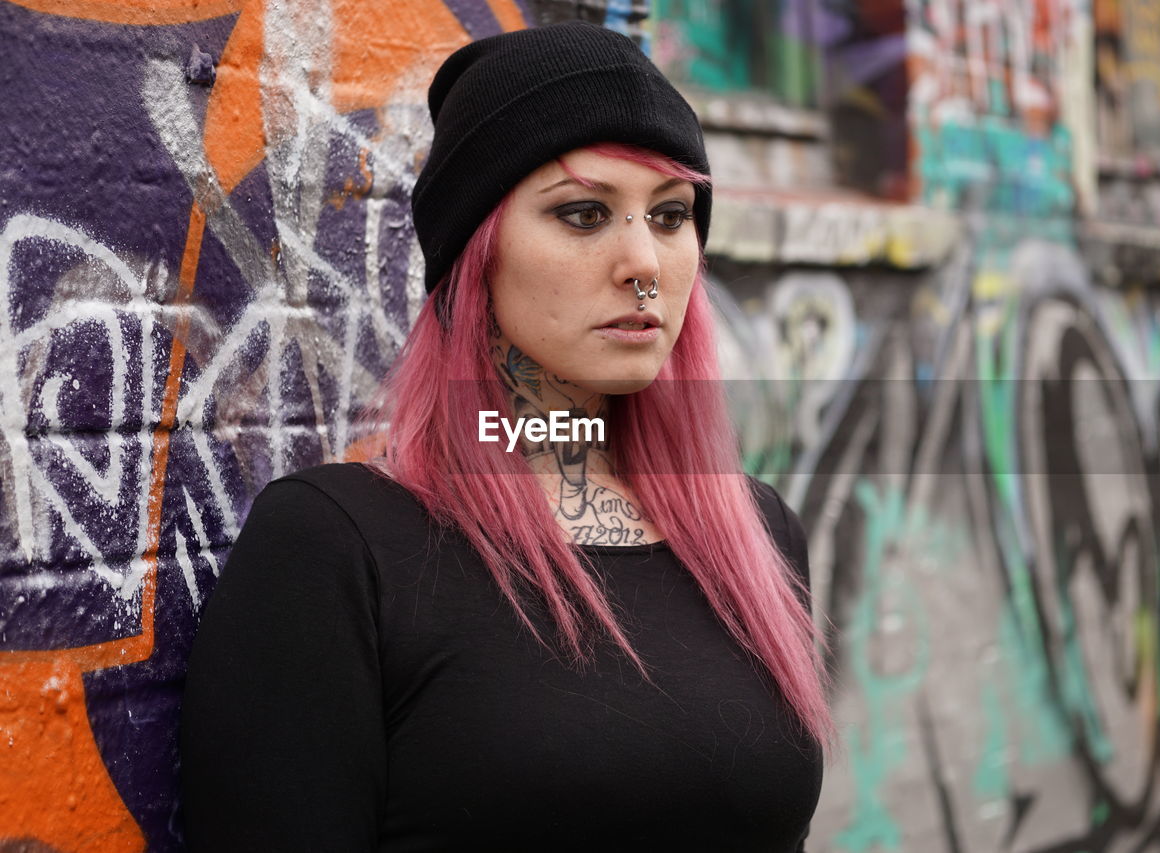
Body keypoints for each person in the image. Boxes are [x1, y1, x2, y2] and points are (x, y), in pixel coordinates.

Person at [180, 20, 836, 852]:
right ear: (476, 251)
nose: (645, 261)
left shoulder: (752, 531)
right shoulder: (338, 548)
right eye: (584, 213)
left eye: (670, 216)